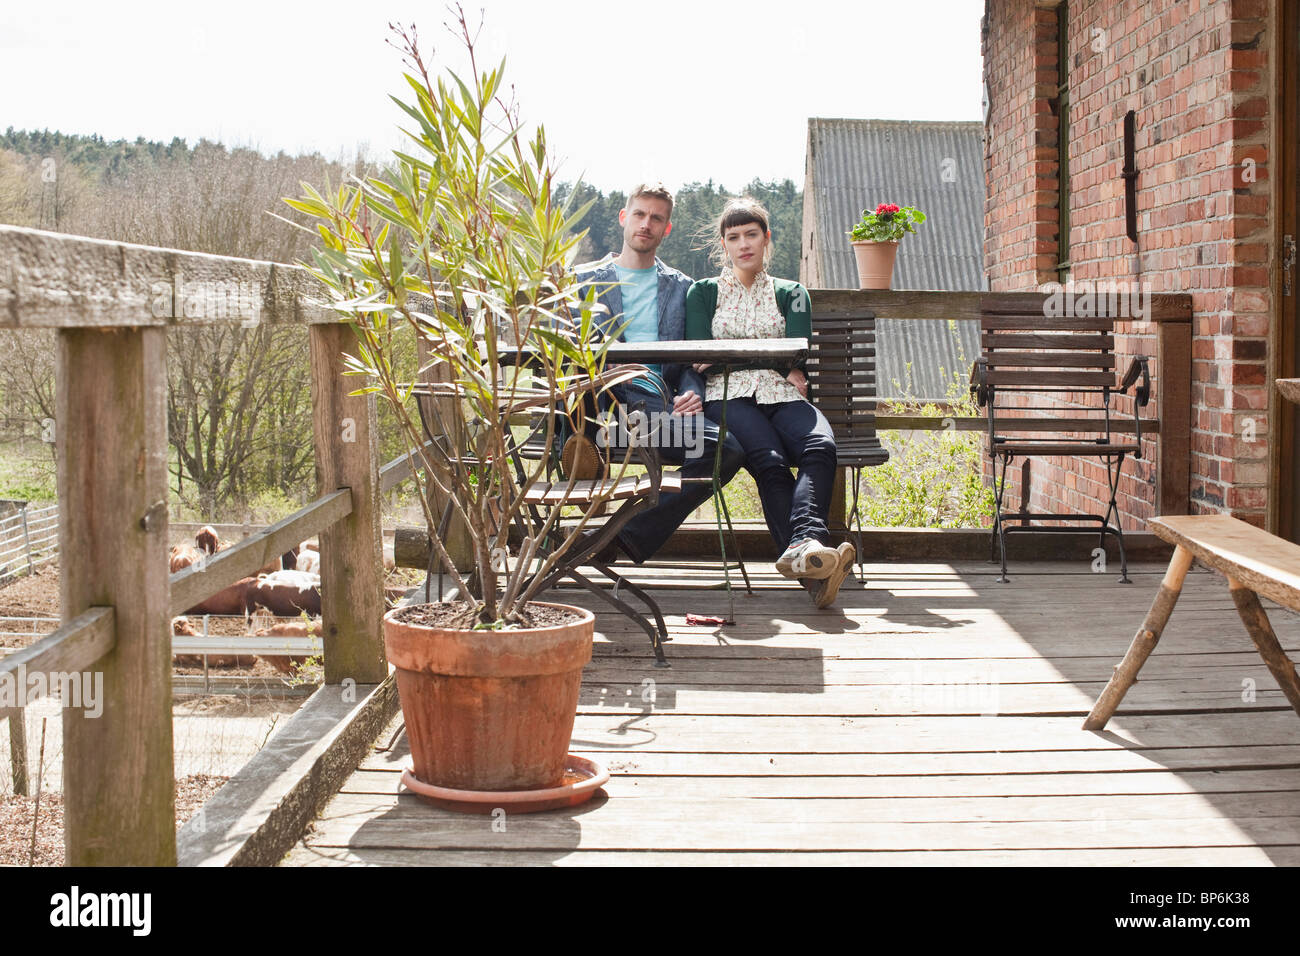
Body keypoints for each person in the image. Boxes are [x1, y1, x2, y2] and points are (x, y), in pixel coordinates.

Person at [685, 197, 854, 608]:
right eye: (734, 237)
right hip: (729, 396)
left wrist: (730, 353)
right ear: (723, 244)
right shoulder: (703, 293)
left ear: (766, 238)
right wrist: (772, 359)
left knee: (820, 445)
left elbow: (796, 349)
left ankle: (806, 546)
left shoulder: (792, 293)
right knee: (771, 461)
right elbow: (698, 355)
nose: (743, 244)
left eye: (751, 235)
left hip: (782, 392)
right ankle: (814, 561)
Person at [571, 182, 745, 564]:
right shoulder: (583, 282)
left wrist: (691, 392)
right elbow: (566, 351)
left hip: (660, 414)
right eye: (639, 214)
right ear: (623, 218)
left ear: (666, 228)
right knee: (723, 447)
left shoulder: (680, 287)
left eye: (656, 218)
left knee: (726, 448)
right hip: (605, 414)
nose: (646, 224)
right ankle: (618, 538)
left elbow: (686, 361)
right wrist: (600, 368)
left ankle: (618, 537)